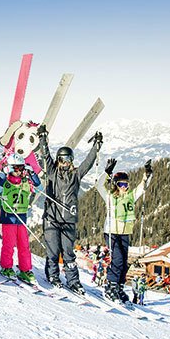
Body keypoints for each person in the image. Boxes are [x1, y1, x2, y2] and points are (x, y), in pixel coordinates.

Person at [35, 125, 101, 294]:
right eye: (62, 160)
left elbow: (88, 162)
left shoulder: (76, 175)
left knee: (69, 253)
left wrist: (96, 147)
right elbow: (45, 155)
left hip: (69, 220)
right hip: (52, 218)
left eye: (68, 160)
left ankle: (73, 281)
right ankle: (53, 276)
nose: (65, 163)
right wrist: (42, 138)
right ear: (58, 160)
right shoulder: (52, 172)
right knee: (53, 251)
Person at [102, 159, 153, 302]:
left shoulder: (130, 196)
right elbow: (99, 185)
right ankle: (110, 286)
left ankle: (119, 286)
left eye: (126, 184)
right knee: (117, 259)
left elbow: (143, 187)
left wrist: (147, 174)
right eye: (122, 184)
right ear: (116, 185)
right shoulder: (110, 197)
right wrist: (107, 173)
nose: (125, 187)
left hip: (125, 232)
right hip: (112, 231)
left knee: (124, 263)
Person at [0, 153, 42, 285]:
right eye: (15, 168)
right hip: (8, 217)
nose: (19, 171)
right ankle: (6, 266)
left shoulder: (25, 181)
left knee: (24, 245)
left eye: (21, 168)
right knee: (9, 244)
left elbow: (39, 188)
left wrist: (32, 174)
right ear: (9, 168)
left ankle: (25, 269)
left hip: (21, 217)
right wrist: (3, 173)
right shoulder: (6, 182)